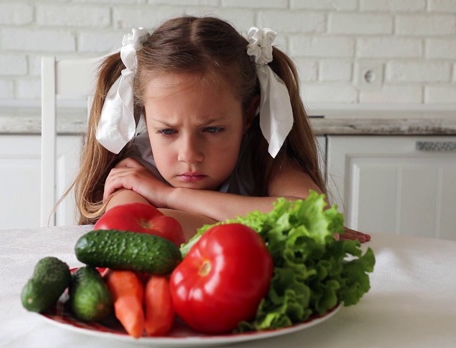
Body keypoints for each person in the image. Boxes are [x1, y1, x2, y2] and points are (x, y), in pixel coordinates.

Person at [70, 15, 370, 243]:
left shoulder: (261, 158)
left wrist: (170, 197)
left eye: (212, 130)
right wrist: (279, 226)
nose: (189, 155)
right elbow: (135, 234)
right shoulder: (134, 172)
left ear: (249, 115)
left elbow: (317, 217)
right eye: (167, 131)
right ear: (143, 116)